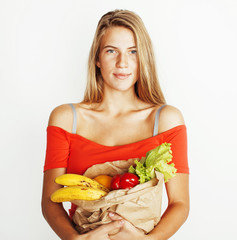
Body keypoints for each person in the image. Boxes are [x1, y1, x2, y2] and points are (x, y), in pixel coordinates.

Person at [41, 9, 189, 240]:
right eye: (111, 51)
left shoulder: (165, 120)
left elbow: (180, 203)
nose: (122, 63)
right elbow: (50, 201)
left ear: (144, 59)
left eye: (133, 52)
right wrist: (76, 239)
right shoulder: (66, 118)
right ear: (97, 59)